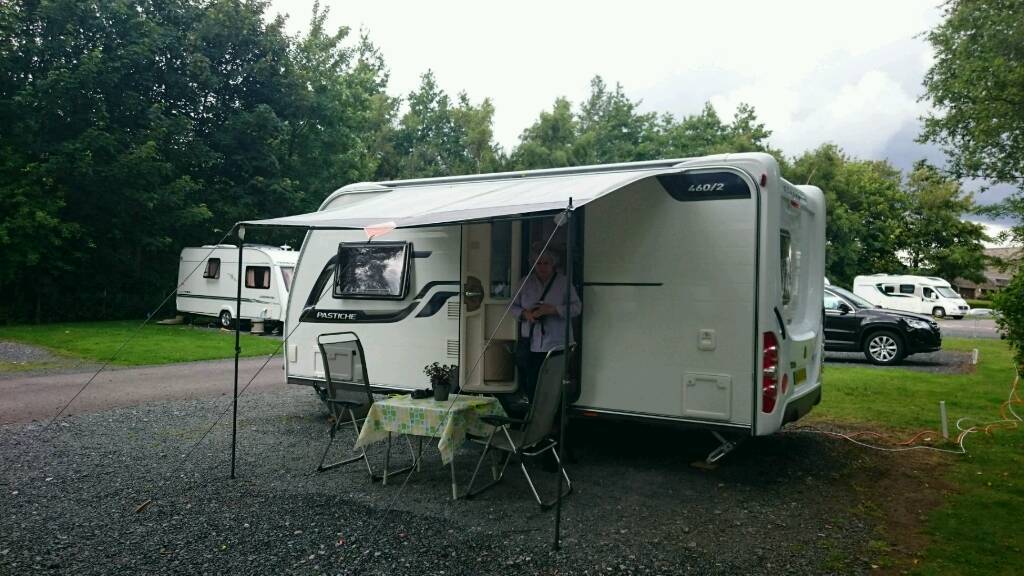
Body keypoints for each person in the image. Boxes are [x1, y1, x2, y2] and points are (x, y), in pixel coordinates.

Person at [509, 249, 581, 406]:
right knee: (532, 382)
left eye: (546, 263)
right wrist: (525, 314)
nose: (542, 267)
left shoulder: (563, 282)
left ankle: (553, 420)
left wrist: (553, 310)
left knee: (554, 384)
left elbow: (577, 308)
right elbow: (512, 306)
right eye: (538, 263)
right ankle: (535, 417)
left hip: (557, 342)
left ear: (553, 264)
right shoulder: (525, 282)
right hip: (532, 342)